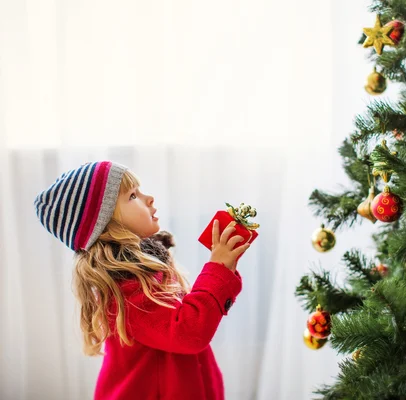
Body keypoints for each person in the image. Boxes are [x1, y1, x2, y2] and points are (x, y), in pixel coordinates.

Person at [34, 160, 250, 400]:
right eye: (133, 195)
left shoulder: (145, 271)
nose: (150, 198)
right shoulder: (126, 289)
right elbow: (188, 332)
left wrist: (224, 268)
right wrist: (218, 269)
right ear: (107, 227)